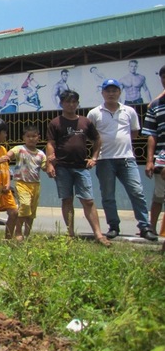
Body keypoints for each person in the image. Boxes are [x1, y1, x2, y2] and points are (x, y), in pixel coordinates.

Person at [87, 79, 158, 241]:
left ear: (120, 92)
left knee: (137, 192)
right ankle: (113, 226)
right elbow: (91, 136)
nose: (111, 93)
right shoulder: (94, 113)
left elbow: (134, 133)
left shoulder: (129, 111)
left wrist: (122, 144)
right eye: (108, 91)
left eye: (114, 90)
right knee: (108, 195)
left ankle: (145, 227)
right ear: (102, 93)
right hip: (105, 160)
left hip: (127, 159)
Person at [45, 90, 110, 246]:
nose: (71, 104)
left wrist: (94, 157)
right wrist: (49, 164)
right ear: (61, 104)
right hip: (62, 167)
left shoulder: (85, 122)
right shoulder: (55, 123)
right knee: (67, 200)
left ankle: (99, 235)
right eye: (68, 101)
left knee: (88, 200)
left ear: (78, 104)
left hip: (81, 167)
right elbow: (50, 144)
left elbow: (97, 139)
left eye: (74, 101)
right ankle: (70, 234)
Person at [6, 124, 47, 240]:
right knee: (24, 205)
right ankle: (18, 232)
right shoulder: (20, 149)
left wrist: (51, 162)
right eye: (28, 136)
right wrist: (6, 157)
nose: (31, 139)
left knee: (31, 212)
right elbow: (9, 155)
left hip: (35, 185)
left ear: (38, 137)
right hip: (21, 183)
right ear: (24, 137)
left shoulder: (41, 154)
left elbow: (45, 167)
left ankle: (27, 235)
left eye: (34, 136)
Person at [143, 64, 165, 238]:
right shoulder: (155, 106)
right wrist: (150, 160)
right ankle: (152, 227)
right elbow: (151, 135)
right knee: (159, 195)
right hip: (161, 158)